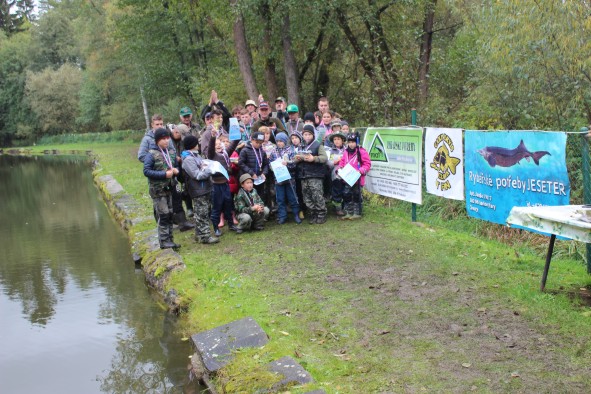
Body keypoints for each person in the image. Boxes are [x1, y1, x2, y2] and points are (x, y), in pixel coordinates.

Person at [142, 128, 181, 249]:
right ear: (158, 140)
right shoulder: (151, 154)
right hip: (158, 190)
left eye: (167, 138)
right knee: (163, 214)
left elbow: (175, 165)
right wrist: (164, 174)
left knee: (170, 213)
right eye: (163, 139)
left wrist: (176, 170)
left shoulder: (171, 152)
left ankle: (170, 239)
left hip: (169, 188)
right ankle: (164, 241)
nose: (166, 141)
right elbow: (146, 171)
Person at [181, 135, 219, 244]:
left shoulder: (196, 156)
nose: (198, 144)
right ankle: (205, 236)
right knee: (201, 213)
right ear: (193, 145)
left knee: (204, 211)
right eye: (197, 143)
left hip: (204, 188)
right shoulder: (188, 159)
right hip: (198, 190)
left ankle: (199, 234)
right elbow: (196, 175)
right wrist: (210, 170)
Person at [206, 128, 240, 236]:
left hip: (225, 183)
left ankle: (231, 224)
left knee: (228, 203)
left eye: (220, 143)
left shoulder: (225, 153)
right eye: (216, 144)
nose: (219, 145)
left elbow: (234, 144)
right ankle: (216, 227)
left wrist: (238, 133)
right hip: (216, 185)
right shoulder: (212, 155)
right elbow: (211, 148)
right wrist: (212, 137)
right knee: (217, 206)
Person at [295, 124, 328, 224]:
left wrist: (314, 158)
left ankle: (321, 214)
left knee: (317, 195)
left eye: (309, 134)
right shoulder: (300, 146)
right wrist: (297, 158)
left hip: (315, 175)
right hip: (303, 176)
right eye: (305, 134)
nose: (307, 136)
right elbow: (294, 159)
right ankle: (313, 214)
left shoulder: (318, 145)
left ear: (313, 135)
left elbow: (324, 158)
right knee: (307, 197)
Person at [337, 131, 372, 220]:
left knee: (356, 194)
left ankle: (357, 213)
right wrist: (340, 168)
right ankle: (349, 212)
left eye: (353, 142)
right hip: (347, 178)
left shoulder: (361, 152)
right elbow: (342, 161)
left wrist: (361, 170)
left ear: (357, 142)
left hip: (357, 178)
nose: (351, 144)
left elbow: (367, 164)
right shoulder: (346, 152)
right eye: (349, 142)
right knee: (346, 194)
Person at [269, 132, 301, 224]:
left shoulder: (291, 151)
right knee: (280, 199)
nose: (279, 143)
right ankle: (282, 216)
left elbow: (295, 164)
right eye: (277, 141)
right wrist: (273, 167)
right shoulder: (273, 151)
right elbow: (270, 163)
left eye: (281, 141)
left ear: (285, 141)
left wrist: (288, 164)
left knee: (293, 197)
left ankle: (296, 214)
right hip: (278, 179)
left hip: (290, 179)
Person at [238, 131, 269, 202]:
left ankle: (261, 210)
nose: (258, 144)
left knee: (260, 195)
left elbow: (266, 164)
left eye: (260, 143)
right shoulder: (245, 150)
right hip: (249, 178)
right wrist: (251, 173)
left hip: (259, 179)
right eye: (257, 142)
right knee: (250, 197)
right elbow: (241, 163)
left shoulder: (262, 151)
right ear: (252, 140)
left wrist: (264, 173)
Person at [326, 131, 347, 216]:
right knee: (337, 190)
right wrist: (335, 162)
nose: (336, 141)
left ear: (342, 140)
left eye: (338, 139)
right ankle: (337, 208)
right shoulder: (330, 151)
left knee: (347, 190)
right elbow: (328, 164)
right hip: (336, 175)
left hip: (348, 173)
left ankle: (346, 207)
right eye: (335, 139)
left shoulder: (348, 149)